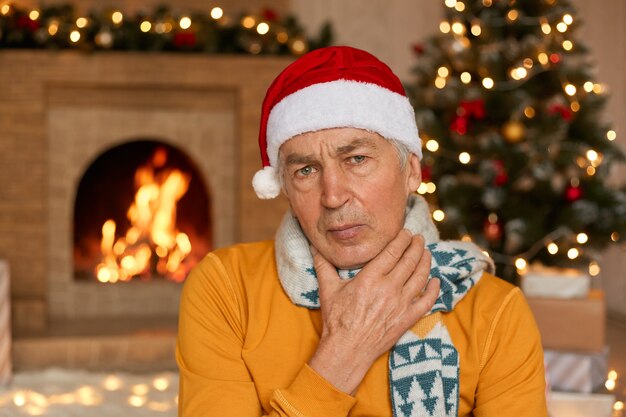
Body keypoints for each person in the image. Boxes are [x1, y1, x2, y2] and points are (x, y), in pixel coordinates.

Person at [176, 46, 547, 417]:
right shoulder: (226, 286)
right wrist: (344, 351)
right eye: (306, 170)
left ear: (412, 172)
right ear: (284, 188)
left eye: (356, 159)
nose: (333, 196)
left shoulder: (496, 310)